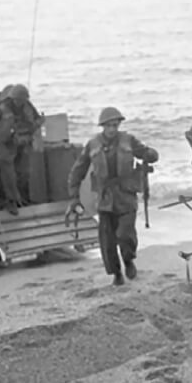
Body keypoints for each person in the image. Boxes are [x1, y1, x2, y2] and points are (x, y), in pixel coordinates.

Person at [66, 106, 158, 286]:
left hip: (126, 194)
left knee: (125, 234)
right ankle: (116, 272)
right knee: (107, 241)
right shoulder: (93, 144)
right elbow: (78, 170)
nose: (112, 129)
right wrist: (74, 196)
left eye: (115, 125)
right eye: (108, 126)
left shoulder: (128, 140)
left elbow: (145, 152)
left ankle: (129, 260)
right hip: (104, 198)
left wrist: (151, 155)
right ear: (103, 126)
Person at [0, 84, 42, 215]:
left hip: (22, 143)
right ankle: (11, 201)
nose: (20, 102)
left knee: (24, 173)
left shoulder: (28, 107)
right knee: (8, 175)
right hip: (4, 144)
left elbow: (36, 120)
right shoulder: (2, 109)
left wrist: (36, 125)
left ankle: (22, 199)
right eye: (18, 99)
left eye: (23, 99)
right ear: (12, 99)